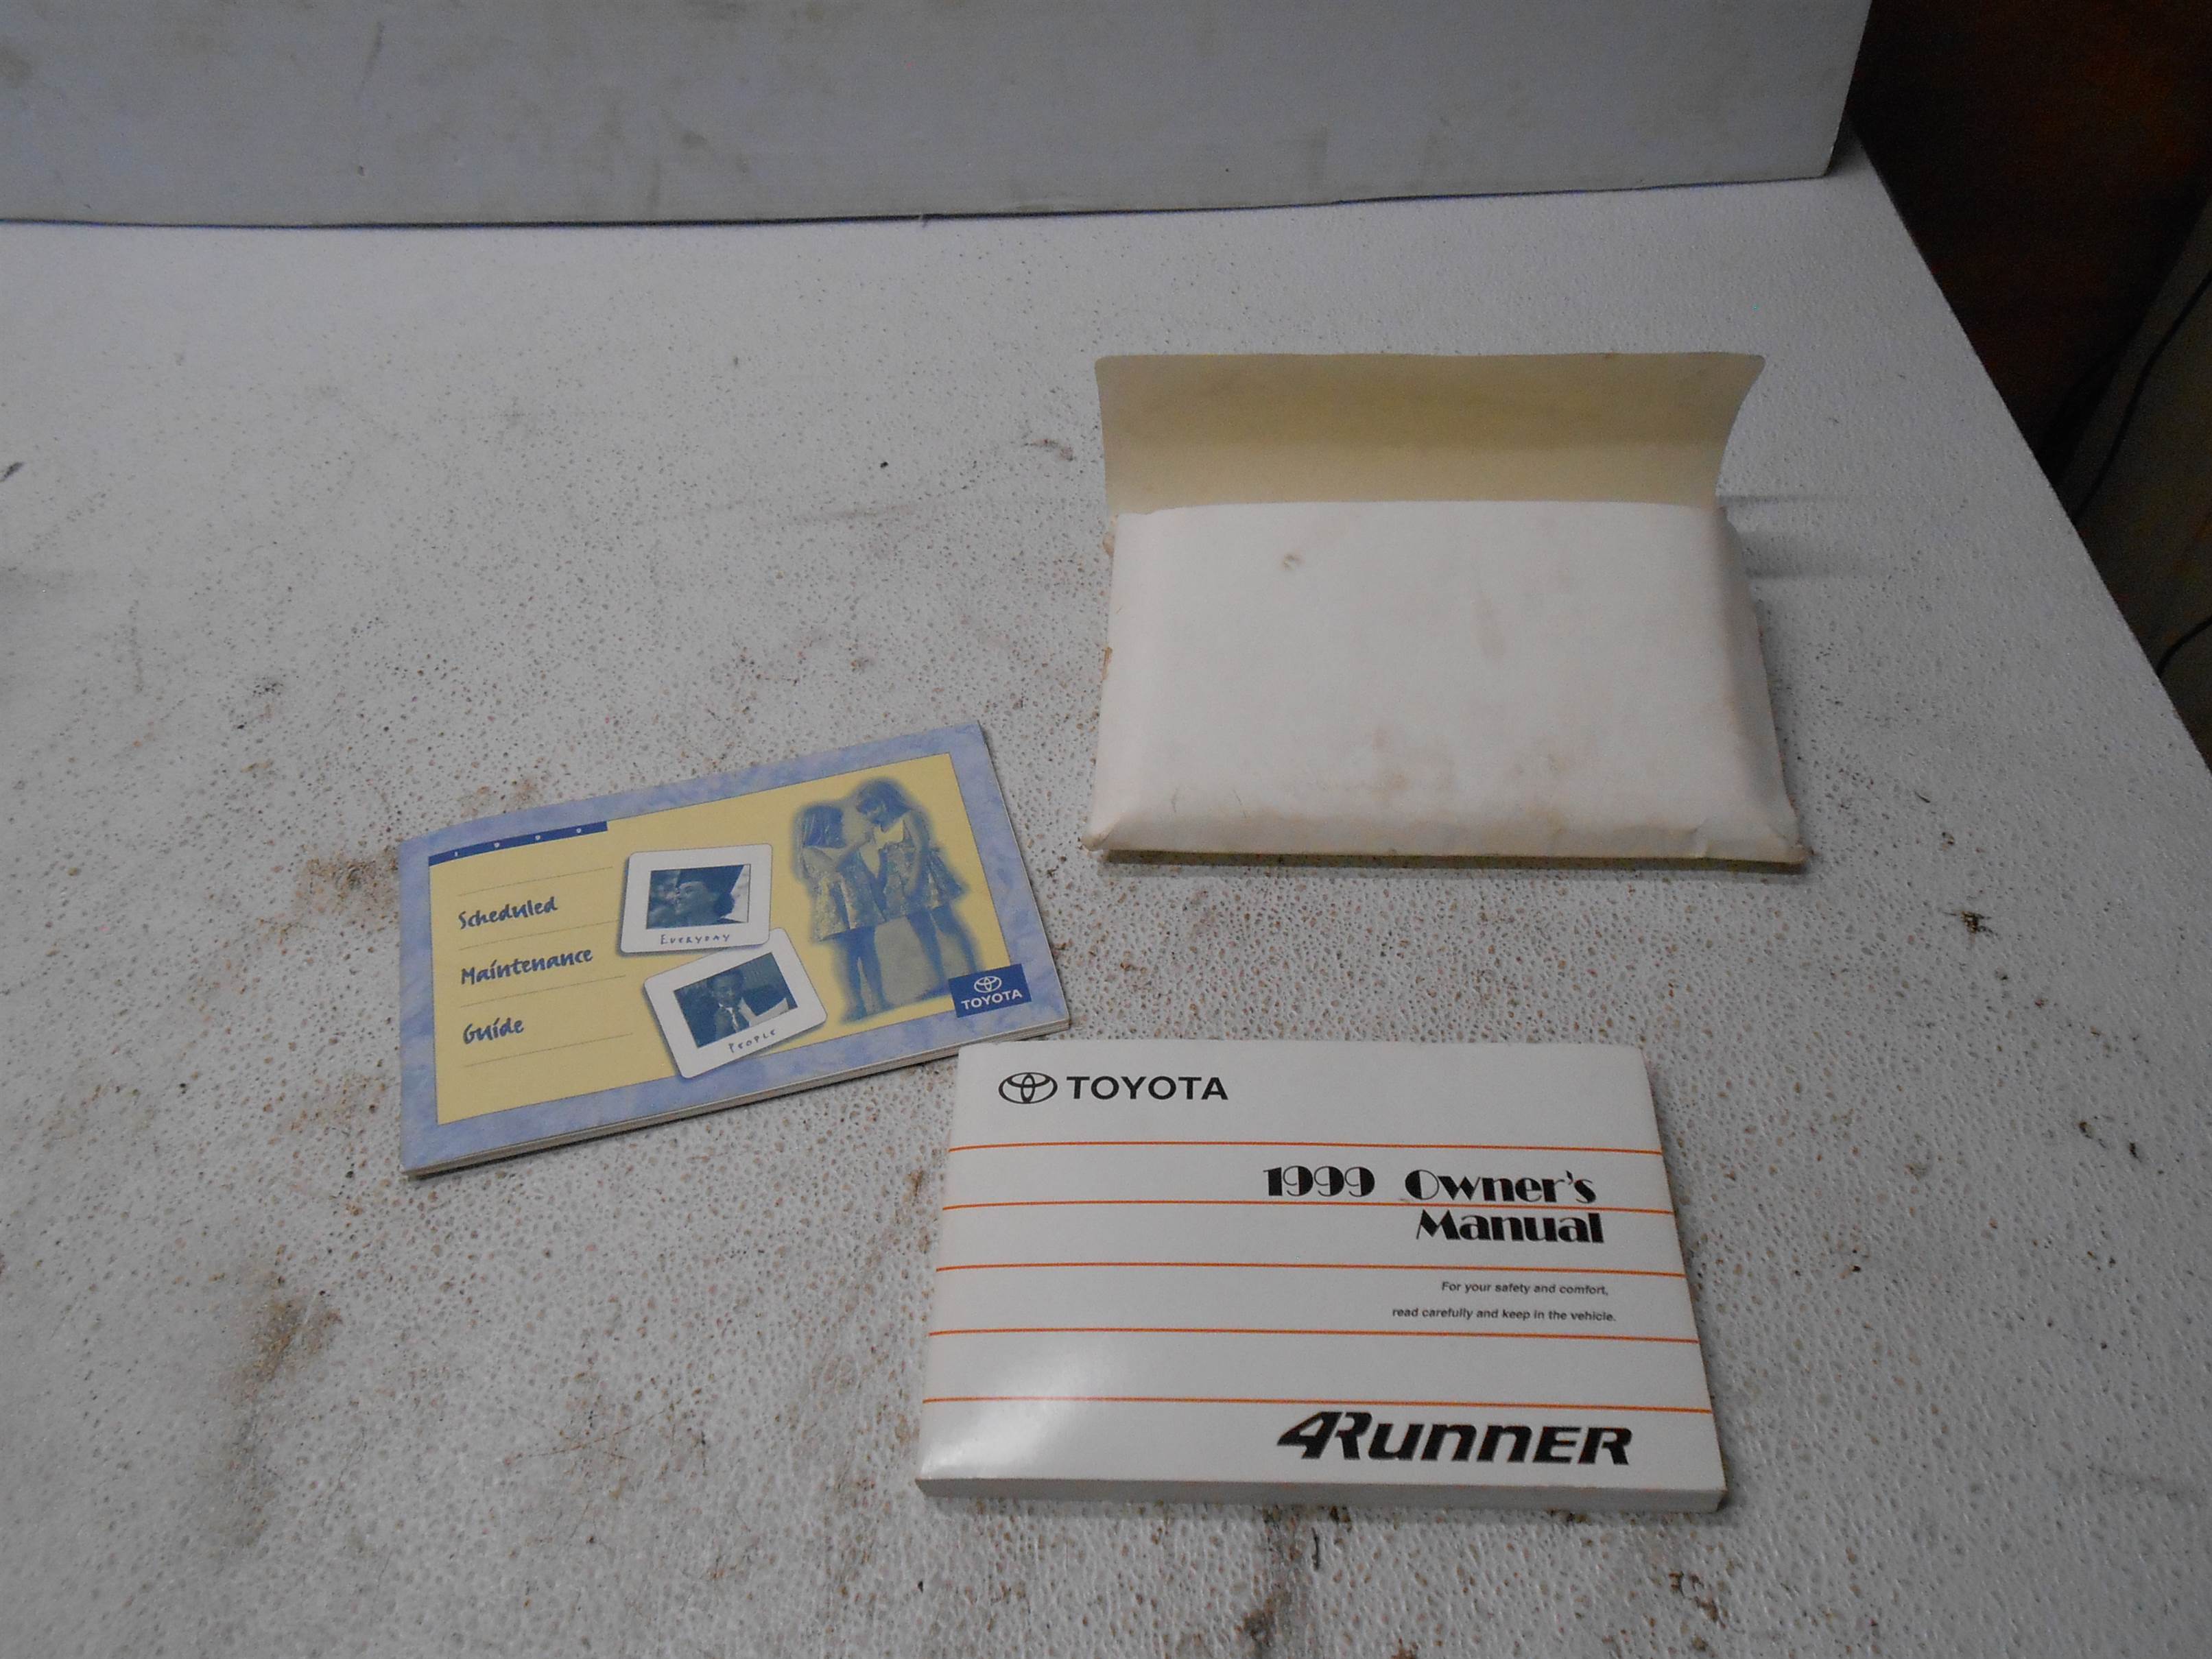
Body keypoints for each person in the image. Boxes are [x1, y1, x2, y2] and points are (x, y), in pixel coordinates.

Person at [853, 777, 976, 995]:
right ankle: (939, 979)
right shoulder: (878, 831)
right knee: (922, 931)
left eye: (871, 808)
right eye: (865, 812)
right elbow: (884, 860)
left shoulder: (909, 817)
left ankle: (972, 972)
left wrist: (914, 880)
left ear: (884, 801)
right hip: (899, 885)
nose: (869, 815)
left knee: (947, 924)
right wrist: (883, 886)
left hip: (925, 878)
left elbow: (922, 848)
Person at [793, 803, 887, 1021]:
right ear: (822, 826)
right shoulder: (810, 851)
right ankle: (856, 1004)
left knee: (869, 951)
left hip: (860, 906)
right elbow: (832, 866)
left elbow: (865, 872)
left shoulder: (845, 847)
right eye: (837, 823)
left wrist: (878, 896)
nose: (841, 827)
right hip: (835, 910)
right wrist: (858, 843)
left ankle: (879, 1000)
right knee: (846, 958)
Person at [648, 866, 743, 930]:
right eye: (678, 892)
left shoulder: (734, 929)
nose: (679, 896)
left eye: (689, 891)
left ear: (713, 896)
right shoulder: (670, 931)